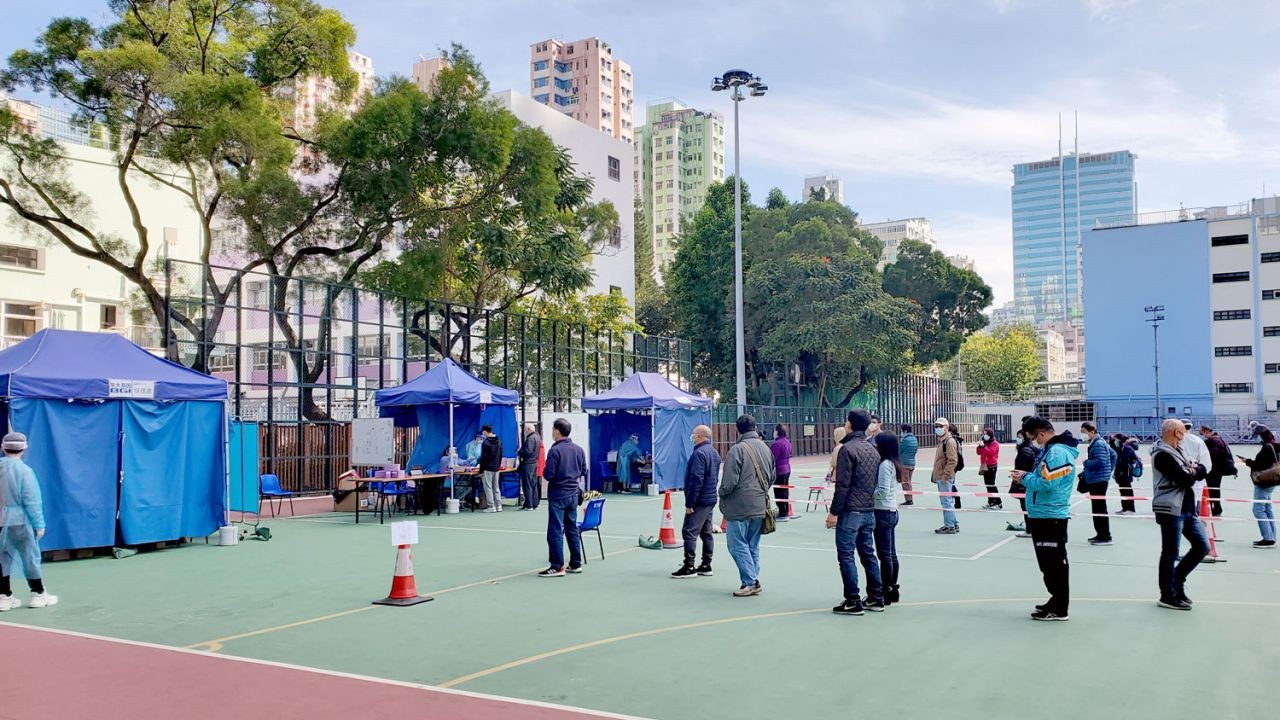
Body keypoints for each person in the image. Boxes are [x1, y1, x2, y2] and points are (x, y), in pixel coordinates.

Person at [1012, 416, 1078, 621]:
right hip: (1043, 513)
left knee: (1054, 563)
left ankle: (1060, 608)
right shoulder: (1051, 451)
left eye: (1033, 437)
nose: (1034, 442)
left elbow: (1048, 484)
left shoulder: (1057, 452)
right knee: (1048, 564)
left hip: (1050, 515)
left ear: (1041, 433)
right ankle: (1055, 600)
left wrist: (1023, 478)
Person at [827, 410, 884, 615]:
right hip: (868, 509)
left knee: (846, 555)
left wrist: (834, 512)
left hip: (851, 510)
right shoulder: (872, 450)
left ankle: (852, 599)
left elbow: (842, 485)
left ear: (849, 425)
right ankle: (876, 597)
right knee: (868, 554)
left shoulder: (846, 449)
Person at [1151, 418, 1209, 610]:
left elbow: (1201, 470)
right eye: (1183, 431)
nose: (1185, 435)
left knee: (1202, 546)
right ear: (1175, 432)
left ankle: (1177, 582)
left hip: (1187, 508)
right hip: (1170, 509)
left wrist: (1192, 471)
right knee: (1170, 552)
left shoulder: (1180, 451)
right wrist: (1193, 470)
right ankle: (1167, 594)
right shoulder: (1162, 455)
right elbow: (1185, 477)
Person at [719, 414, 774, 597]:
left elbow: (729, 481)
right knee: (752, 545)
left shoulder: (737, 450)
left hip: (739, 505)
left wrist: (722, 493)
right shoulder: (766, 448)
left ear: (737, 429)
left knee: (736, 544)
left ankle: (750, 581)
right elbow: (772, 476)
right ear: (755, 427)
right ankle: (751, 579)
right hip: (759, 503)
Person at [0, 432, 56, 610]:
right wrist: (39, 524)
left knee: (2, 559)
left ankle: (4, 596)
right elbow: (32, 500)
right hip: (21, 522)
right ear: (24, 449)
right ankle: (38, 594)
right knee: (30, 557)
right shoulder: (25, 471)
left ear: (3, 447)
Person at [539, 418, 586, 577]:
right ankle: (575, 563)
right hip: (573, 494)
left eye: (553, 429)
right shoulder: (579, 450)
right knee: (572, 529)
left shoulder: (555, 451)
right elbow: (583, 470)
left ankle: (557, 566)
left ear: (557, 431)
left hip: (558, 495)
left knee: (555, 531)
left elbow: (548, 474)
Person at [672, 424, 720, 579]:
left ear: (699, 436)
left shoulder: (699, 454)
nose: (692, 437)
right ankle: (706, 564)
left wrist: (690, 503)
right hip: (710, 498)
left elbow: (696, 479)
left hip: (700, 500)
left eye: (694, 434)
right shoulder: (713, 452)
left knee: (689, 531)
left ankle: (689, 566)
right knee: (706, 532)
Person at [872, 431, 902, 606]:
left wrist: (868, 494)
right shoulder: (893, 462)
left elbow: (882, 490)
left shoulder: (885, 465)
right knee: (891, 553)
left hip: (882, 511)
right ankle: (893, 587)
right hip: (891, 510)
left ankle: (886, 590)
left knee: (884, 555)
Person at [1242, 425, 1278, 549]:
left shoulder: (1267, 447)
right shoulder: (1275, 445)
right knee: (1267, 509)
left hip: (1264, 481)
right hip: (1273, 480)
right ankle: (1272, 536)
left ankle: (1268, 538)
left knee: (1258, 509)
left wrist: (1248, 462)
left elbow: (1259, 465)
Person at [1080, 421, 1115, 546]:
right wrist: (1108, 472)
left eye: (1084, 432)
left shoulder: (1098, 444)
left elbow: (1099, 462)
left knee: (1099, 508)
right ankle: (1101, 534)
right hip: (1099, 479)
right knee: (1098, 508)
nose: (1082, 435)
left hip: (1097, 480)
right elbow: (1113, 455)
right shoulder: (1099, 442)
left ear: (1092, 432)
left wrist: (1086, 463)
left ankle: (1105, 536)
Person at [931, 417, 960, 534]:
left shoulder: (949, 441)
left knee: (946, 501)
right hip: (942, 475)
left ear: (947, 427)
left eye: (940, 426)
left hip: (944, 477)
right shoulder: (943, 441)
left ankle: (950, 525)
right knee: (947, 501)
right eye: (936, 426)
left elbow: (952, 460)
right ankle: (953, 523)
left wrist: (945, 476)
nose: (938, 428)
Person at [1199, 425, 1235, 517]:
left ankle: (1215, 508)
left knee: (1213, 489)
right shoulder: (1218, 439)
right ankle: (1215, 508)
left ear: (1206, 431)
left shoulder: (1214, 441)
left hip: (1214, 470)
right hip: (1216, 469)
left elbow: (1212, 455)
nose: (1203, 435)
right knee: (1214, 489)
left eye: (1203, 433)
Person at [1009, 429, 1037, 537]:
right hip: (1025, 480)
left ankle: (1029, 530)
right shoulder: (1027, 448)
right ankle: (1030, 528)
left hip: (1023, 482)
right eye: (1017, 436)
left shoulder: (1025, 450)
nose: (1018, 438)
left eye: (1020, 436)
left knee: (1026, 506)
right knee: (1027, 506)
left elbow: (1023, 467)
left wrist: (1018, 476)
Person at [1179, 419, 1211, 508]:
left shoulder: (1175, 440)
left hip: (1179, 477)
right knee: (1196, 504)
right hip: (1196, 477)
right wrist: (1200, 472)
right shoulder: (1198, 441)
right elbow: (1207, 463)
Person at [1111, 434, 1140, 515]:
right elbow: (1113, 446)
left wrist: (1117, 473)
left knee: (1127, 491)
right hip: (1122, 474)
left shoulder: (1127, 449)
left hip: (1125, 474)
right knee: (1123, 492)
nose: (1115, 442)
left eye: (1116, 440)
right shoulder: (1122, 448)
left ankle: (1130, 509)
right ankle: (1124, 508)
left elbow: (1123, 463)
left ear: (1120, 440)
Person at [478, 425, 503, 513]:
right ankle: (499, 505)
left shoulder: (485, 442)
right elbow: (500, 455)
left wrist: (481, 470)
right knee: (496, 487)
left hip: (488, 468)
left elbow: (483, 458)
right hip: (496, 467)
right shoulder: (499, 441)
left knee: (488, 487)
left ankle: (491, 506)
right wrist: (498, 465)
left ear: (485, 431)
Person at [771, 424, 793, 521]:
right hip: (787, 468)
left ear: (777, 431)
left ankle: (782, 512)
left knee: (779, 492)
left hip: (779, 470)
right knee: (785, 491)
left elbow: (772, 457)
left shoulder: (777, 444)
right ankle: (785, 511)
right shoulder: (787, 442)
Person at [518, 423, 543, 510]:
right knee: (533, 484)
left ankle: (529, 504)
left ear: (528, 429)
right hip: (534, 462)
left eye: (525, 429)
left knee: (527, 484)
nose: (524, 431)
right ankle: (534, 503)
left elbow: (528, 451)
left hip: (528, 463)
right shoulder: (537, 437)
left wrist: (520, 452)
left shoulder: (530, 439)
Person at [977, 427, 1002, 510]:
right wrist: (980, 446)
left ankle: (998, 502)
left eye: (986, 434)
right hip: (985, 466)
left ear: (990, 435)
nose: (985, 435)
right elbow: (978, 452)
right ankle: (991, 501)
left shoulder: (994, 443)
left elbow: (991, 453)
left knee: (991, 484)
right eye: (983, 434)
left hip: (992, 466)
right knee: (987, 485)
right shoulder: (985, 442)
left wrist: (984, 447)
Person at [899, 425, 919, 506]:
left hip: (904, 463)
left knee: (905, 482)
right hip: (912, 463)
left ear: (905, 431)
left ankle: (908, 500)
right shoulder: (914, 439)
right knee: (909, 482)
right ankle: (910, 498)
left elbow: (899, 450)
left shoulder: (905, 440)